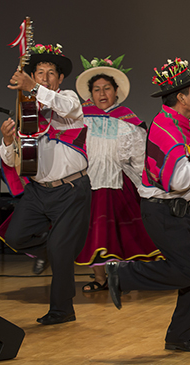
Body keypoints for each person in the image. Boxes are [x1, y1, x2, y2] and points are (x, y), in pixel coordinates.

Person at [105, 58, 190, 352]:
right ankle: (122, 275)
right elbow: (178, 179)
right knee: (188, 272)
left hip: (187, 211)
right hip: (164, 212)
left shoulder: (181, 123)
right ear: (181, 97)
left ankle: (179, 336)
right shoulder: (165, 129)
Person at [0, 43, 90, 325]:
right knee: (14, 238)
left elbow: (65, 107)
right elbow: (13, 157)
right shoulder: (26, 109)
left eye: (52, 73)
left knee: (62, 251)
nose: (46, 77)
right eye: (40, 73)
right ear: (33, 75)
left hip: (70, 190)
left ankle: (62, 310)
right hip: (38, 190)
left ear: (60, 79)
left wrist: (35, 88)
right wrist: (6, 141)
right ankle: (51, 251)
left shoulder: (69, 100)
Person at [74, 55, 161, 293]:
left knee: (121, 232)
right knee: (92, 234)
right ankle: (100, 278)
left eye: (107, 89)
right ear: (90, 94)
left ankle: (123, 278)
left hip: (118, 184)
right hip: (88, 183)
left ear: (116, 92)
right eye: (97, 89)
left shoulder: (129, 122)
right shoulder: (79, 119)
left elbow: (139, 158)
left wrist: (147, 185)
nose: (102, 94)